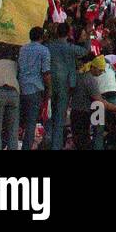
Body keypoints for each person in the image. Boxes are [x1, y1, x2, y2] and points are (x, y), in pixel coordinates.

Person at [45, 21, 91, 150]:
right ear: (68, 33)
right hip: (66, 85)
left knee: (53, 117)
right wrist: (87, 35)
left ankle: (51, 143)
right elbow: (86, 51)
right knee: (60, 118)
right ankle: (56, 146)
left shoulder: (49, 47)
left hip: (51, 85)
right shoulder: (70, 48)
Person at [18, 26, 51, 149]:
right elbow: (46, 72)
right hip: (35, 88)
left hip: (21, 87)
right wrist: (49, 90)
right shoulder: (44, 50)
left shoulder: (23, 49)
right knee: (31, 123)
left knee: (21, 121)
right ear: (42, 37)